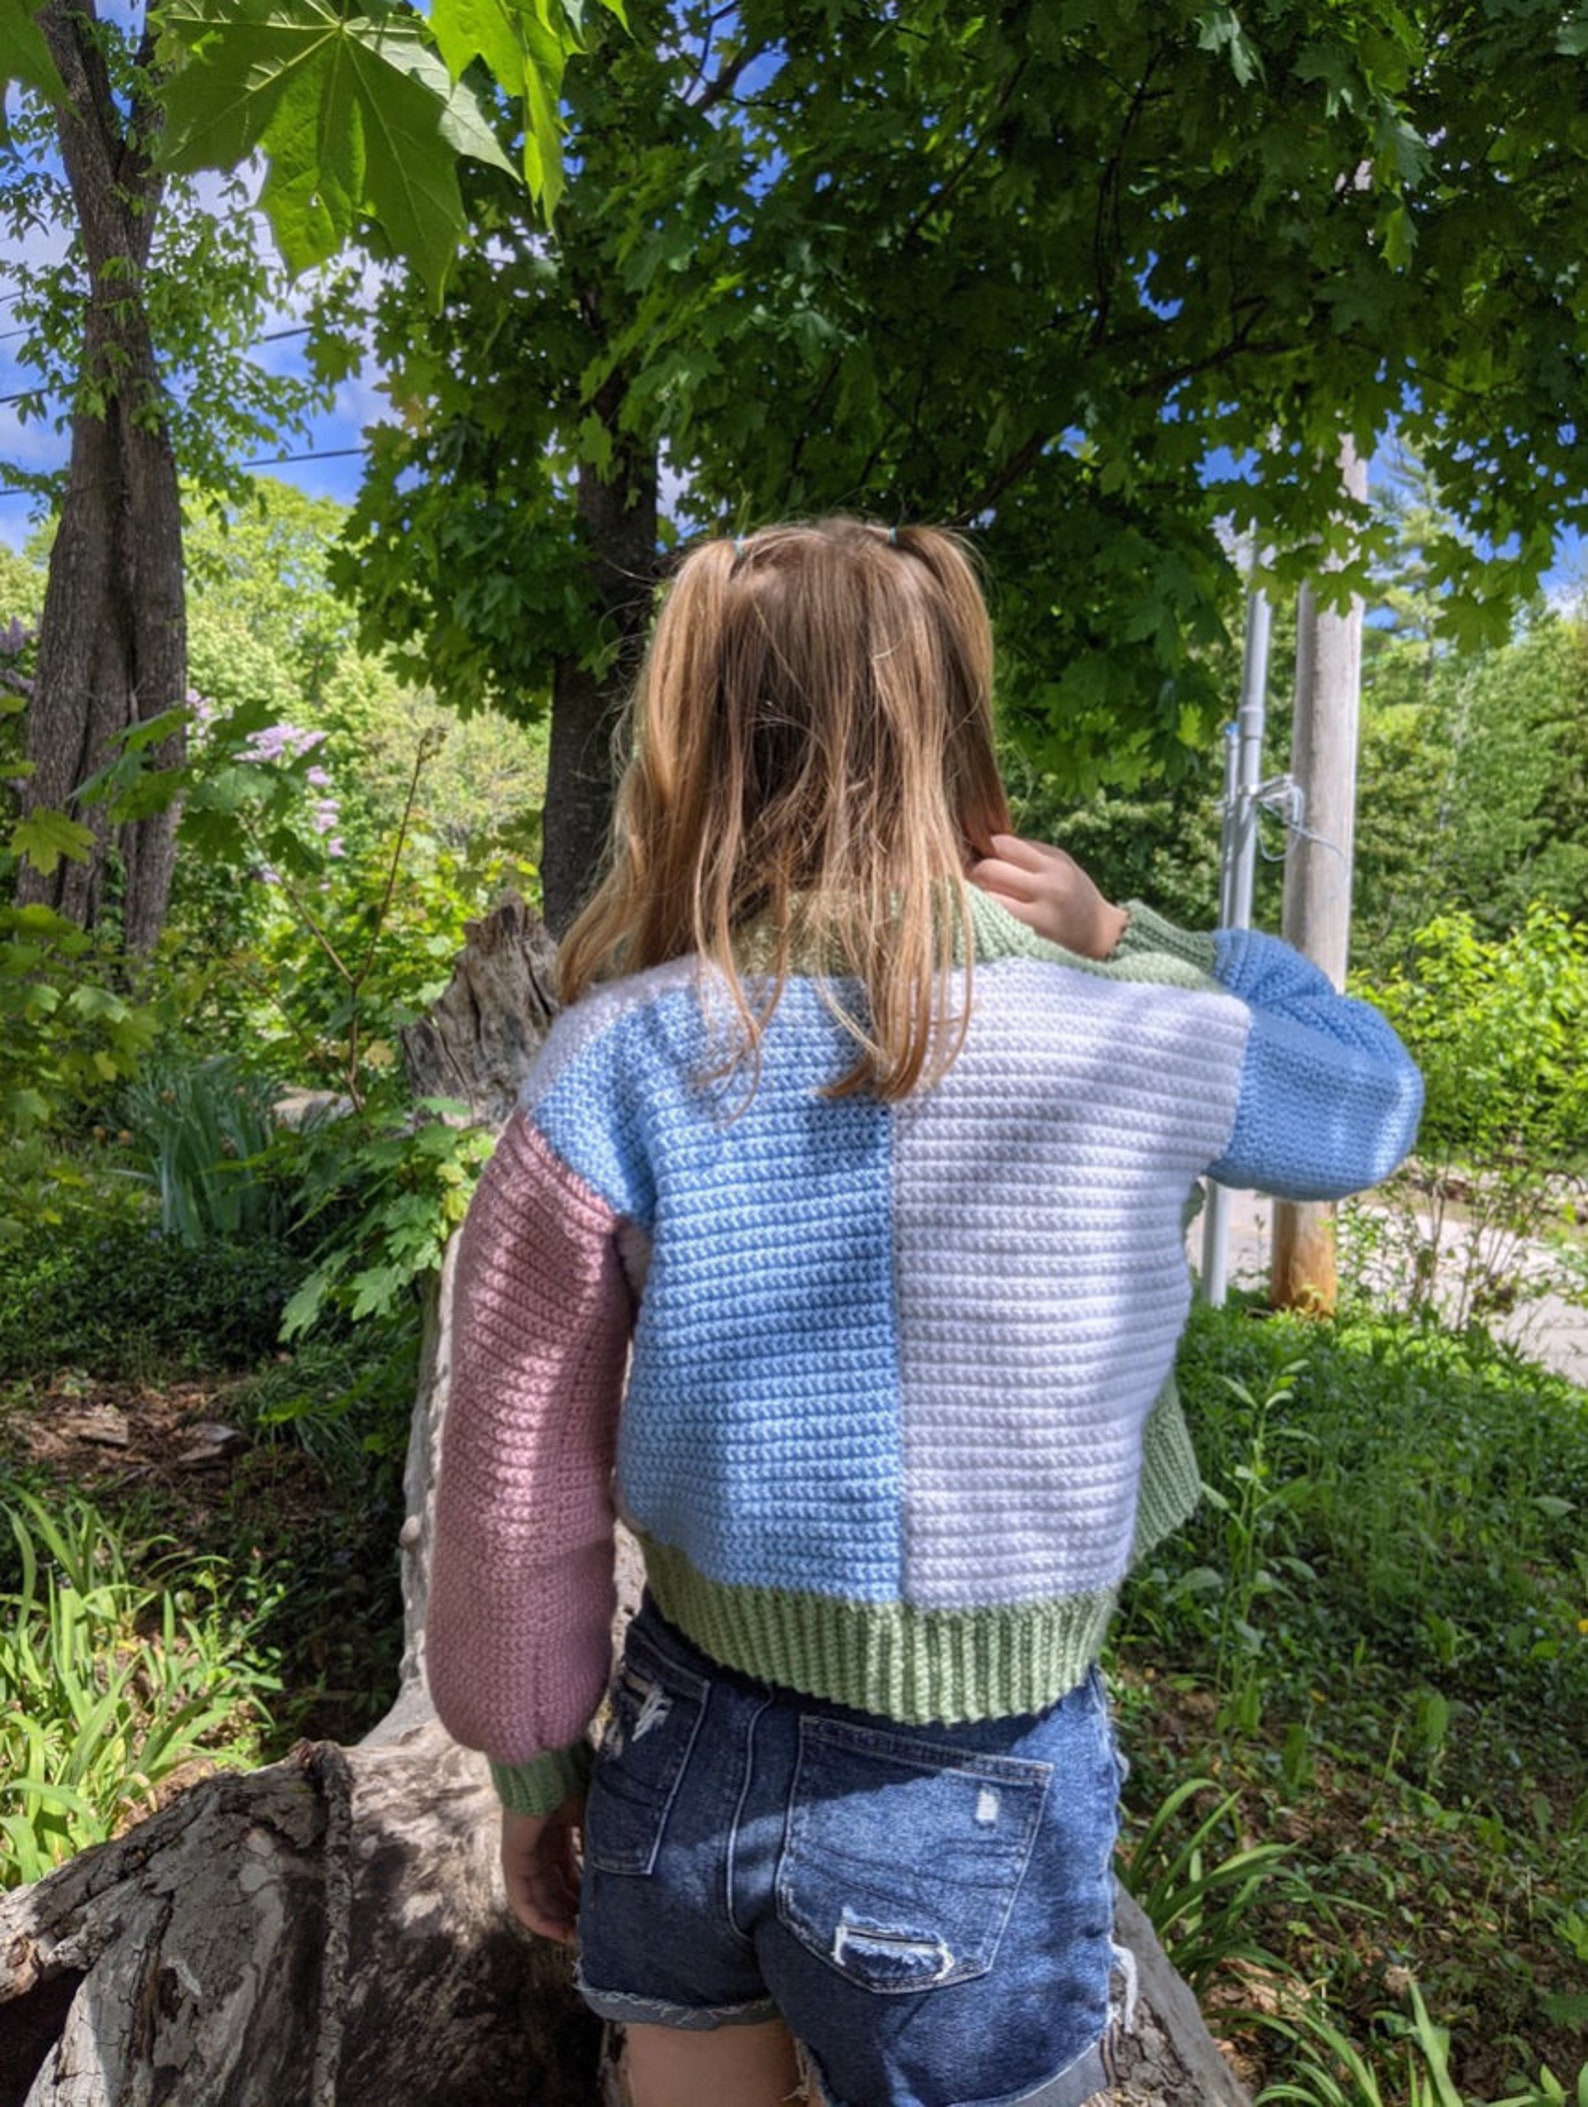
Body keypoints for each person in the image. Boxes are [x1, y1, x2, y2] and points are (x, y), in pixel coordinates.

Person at [426, 518, 1422, 2107]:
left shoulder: (619, 1057)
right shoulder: (1130, 1031)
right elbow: (1368, 1105)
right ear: (958, 728)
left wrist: (532, 1762)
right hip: (984, 1779)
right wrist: (1140, 939)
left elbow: (513, 1460)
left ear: (696, 744)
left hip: (689, 1741)